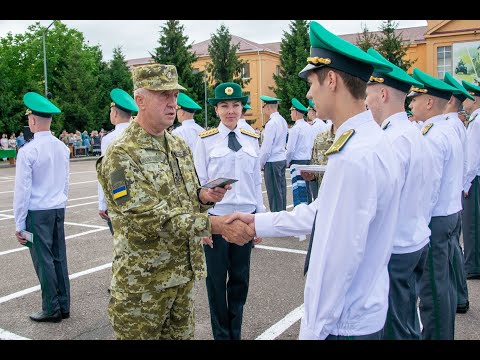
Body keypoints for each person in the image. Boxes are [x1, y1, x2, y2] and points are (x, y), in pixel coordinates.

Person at [228, 20, 401, 340]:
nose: (308, 94)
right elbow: (323, 212)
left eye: (311, 83)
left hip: (343, 324)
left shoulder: (354, 155)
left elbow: (338, 260)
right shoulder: (369, 142)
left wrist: (312, 332)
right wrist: (257, 222)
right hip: (362, 313)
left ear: (332, 79)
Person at [95, 63, 254, 340]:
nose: (172, 103)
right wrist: (215, 225)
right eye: (163, 95)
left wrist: (204, 197)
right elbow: (148, 217)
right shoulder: (121, 154)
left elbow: (187, 198)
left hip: (181, 278)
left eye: (174, 96)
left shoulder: (178, 146)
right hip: (143, 286)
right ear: (140, 100)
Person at [364, 48, 432, 340]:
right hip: (415, 240)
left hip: (397, 249)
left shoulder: (391, 140)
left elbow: (377, 203)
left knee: (397, 330)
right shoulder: (414, 133)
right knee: (408, 322)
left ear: (382, 95)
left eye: (368, 93)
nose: (365, 100)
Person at [193, 82, 265, 340]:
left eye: (235, 105)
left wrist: (261, 219)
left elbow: (256, 181)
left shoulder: (252, 138)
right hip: (216, 220)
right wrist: (202, 223)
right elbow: (198, 183)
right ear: (216, 109)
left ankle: (235, 333)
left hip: (245, 218)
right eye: (224, 105)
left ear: (242, 108)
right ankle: (221, 336)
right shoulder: (205, 141)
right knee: (215, 283)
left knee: (239, 280)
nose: (231, 110)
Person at [408, 68, 463, 340]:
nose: (411, 103)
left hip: (435, 219)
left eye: (416, 98)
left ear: (430, 102)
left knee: (432, 292)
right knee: (446, 284)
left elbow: (428, 189)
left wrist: (418, 222)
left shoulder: (432, 135)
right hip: (451, 213)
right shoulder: (450, 129)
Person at [13, 91, 70, 323]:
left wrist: (19, 223)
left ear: (33, 120)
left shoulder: (28, 151)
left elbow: (22, 191)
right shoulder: (62, 148)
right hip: (57, 209)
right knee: (59, 257)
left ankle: (51, 308)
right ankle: (64, 305)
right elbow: (66, 182)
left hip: (37, 213)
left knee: (43, 259)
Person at [443, 72, 475, 314]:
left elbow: (469, 163)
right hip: (455, 197)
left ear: (451, 101)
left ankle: (459, 297)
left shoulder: (449, 127)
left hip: (450, 200)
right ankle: (460, 297)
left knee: (451, 252)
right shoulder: (457, 126)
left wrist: (463, 187)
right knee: (454, 249)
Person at [97, 88, 138, 236]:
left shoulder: (109, 139)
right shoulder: (140, 134)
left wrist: (102, 203)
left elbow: (105, 173)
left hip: (118, 197)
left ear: (114, 113)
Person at [461, 79, 480, 281]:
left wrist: (465, 183)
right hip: (476, 177)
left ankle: (473, 265)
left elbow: (473, 158)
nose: (464, 100)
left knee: (471, 225)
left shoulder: (476, 121)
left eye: (467, 96)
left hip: (474, 180)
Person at [258, 95, 288, 212]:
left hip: (272, 161)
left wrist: (260, 164)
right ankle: (282, 215)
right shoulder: (282, 120)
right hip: (281, 159)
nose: (263, 109)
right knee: (281, 191)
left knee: (274, 194)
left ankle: (277, 218)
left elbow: (266, 148)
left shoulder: (271, 123)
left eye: (263, 107)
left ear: (268, 107)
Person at [286, 98, 314, 205]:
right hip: (307, 160)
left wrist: (287, 162)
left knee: (298, 190)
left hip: (297, 162)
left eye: (291, 111)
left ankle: (300, 212)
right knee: (307, 191)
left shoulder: (295, 129)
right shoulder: (309, 127)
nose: (291, 114)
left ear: (296, 112)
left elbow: (290, 150)